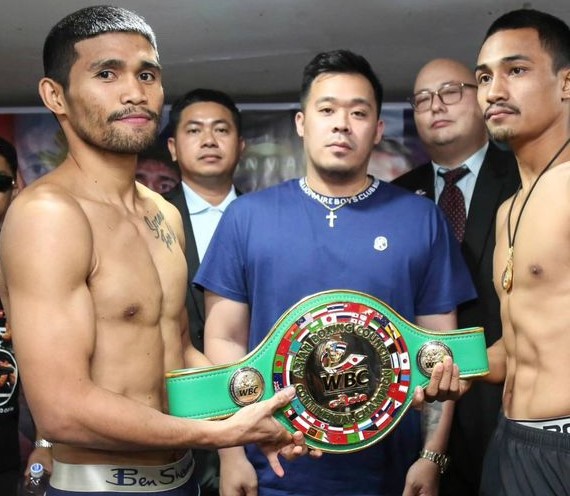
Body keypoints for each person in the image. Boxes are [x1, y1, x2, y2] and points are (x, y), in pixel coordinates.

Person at [0, 6, 312, 496]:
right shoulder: (49, 216)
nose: (134, 91)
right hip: (97, 487)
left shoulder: (161, 214)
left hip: (182, 480)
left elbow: (179, 352)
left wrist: (283, 402)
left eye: (147, 74)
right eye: (107, 73)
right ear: (54, 95)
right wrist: (217, 434)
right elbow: (61, 409)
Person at [195, 49, 476, 496]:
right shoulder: (246, 218)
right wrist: (230, 453)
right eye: (326, 109)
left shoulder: (421, 219)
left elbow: (440, 352)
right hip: (271, 467)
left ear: (378, 129)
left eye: (358, 112)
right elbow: (224, 339)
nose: (342, 123)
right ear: (302, 123)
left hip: (392, 472)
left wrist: (430, 456)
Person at [393, 58, 520, 495]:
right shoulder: (395, 198)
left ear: (481, 95)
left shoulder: (526, 179)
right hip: (416, 406)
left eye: (450, 91)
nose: (435, 106)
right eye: (423, 99)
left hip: (507, 401)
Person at [473, 9, 570, 495]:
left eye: (516, 70)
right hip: (511, 441)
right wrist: (419, 360)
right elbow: (514, 350)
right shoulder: (508, 210)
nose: (493, 92)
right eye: (484, 77)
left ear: (567, 82)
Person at [163, 88, 245, 495]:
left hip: (256, 413)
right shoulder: (146, 221)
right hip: (171, 420)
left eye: (221, 129)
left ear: (241, 144)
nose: (209, 140)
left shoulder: (269, 219)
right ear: (174, 148)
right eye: (194, 131)